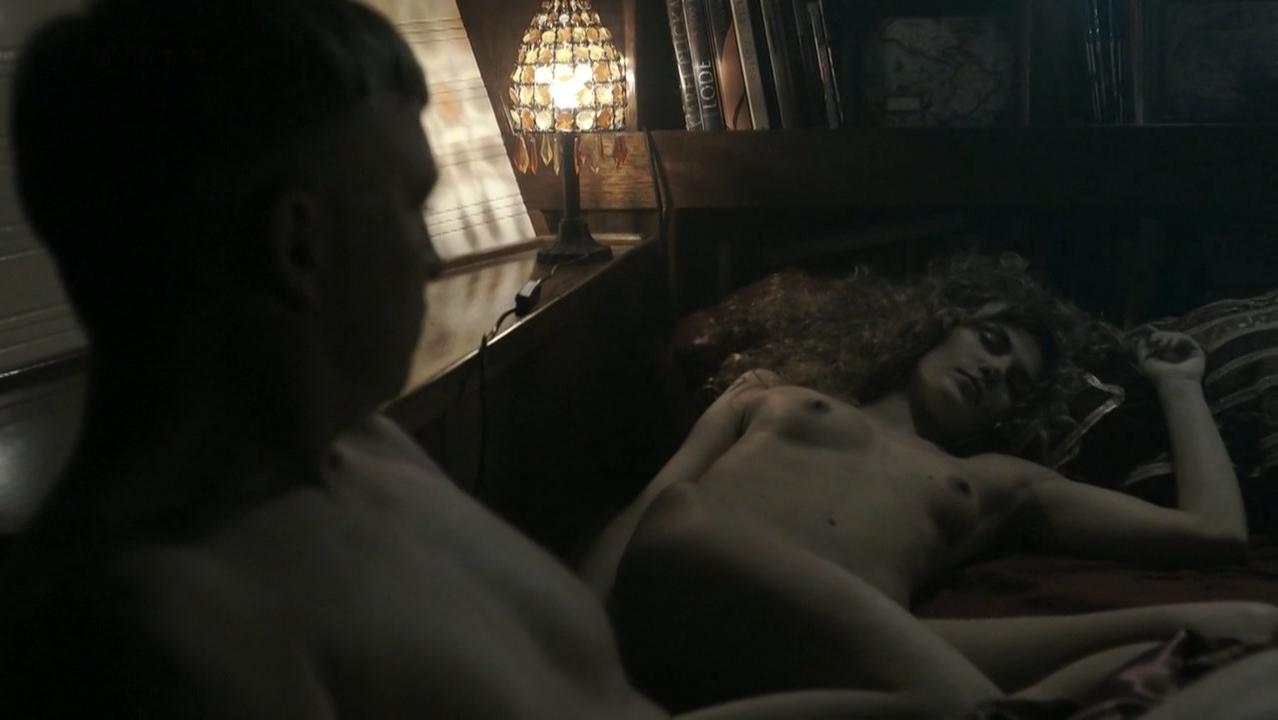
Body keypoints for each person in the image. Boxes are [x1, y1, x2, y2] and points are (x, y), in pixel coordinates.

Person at [0, 1, 675, 717]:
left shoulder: (353, 446)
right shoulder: (161, 641)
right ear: (298, 245)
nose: (431, 258)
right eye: (410, 207)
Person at [582, 255, 1278, 716]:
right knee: (681, 515)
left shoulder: (995, 481)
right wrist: (575, 637)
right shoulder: (772, 391)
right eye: (990, 342)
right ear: (939, 326)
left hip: (843, 643)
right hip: (694, 563)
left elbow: (1214, 532)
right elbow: (651, 505)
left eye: (1015, 384)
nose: (994, 372)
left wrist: (1180, 385)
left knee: (1241, 628)